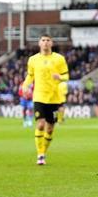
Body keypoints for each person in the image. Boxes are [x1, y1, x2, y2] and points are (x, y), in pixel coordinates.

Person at [22, 34, 69, 165]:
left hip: (54, 98)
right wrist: (25, 85)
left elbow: (66, 76)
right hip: (39, 96)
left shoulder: (59, 59)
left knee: (49, 129)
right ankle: (40, 154)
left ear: (51, 43)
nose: (46, 42)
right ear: (39, 43)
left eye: (48, 40)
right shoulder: (33, 60)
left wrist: (60, 77)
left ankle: (44, 152)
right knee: (40, 124)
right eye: (43, 40)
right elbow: (30, 75)